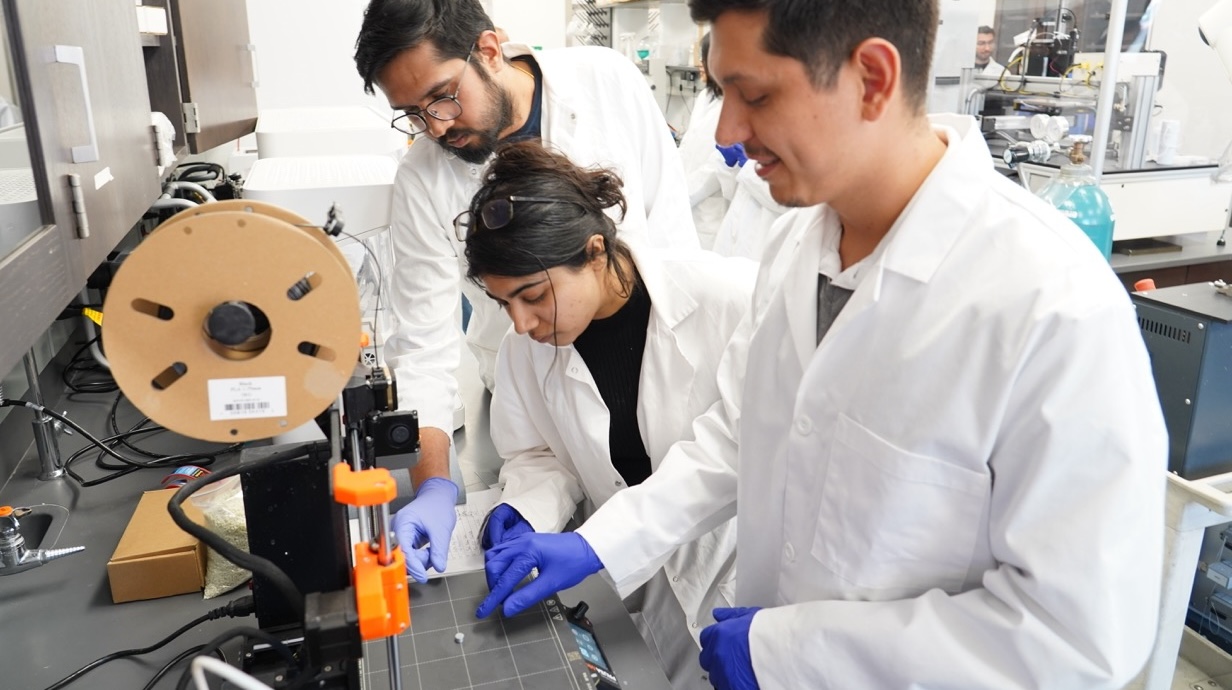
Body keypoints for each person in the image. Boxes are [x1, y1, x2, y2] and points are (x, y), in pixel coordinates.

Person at [476, 1, 1169, 689]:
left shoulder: (1051, 305)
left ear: (871, 77)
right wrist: (597, 544)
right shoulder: (794, 251)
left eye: (755, 95)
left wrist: (795, 652)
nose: (728, 130)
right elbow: (731, 440)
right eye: (722, 94)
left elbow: (1078, 636)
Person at [352, 0, 698, 582]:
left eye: (441, 97)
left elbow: (670, 239)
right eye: (411, 113)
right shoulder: (423, 179)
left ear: (489, 50)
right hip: (535, 393)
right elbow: (426, 350)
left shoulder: (605, 81)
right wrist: (435, 486)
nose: (434, 127)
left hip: (660, 364)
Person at [464, 140, 751, 689]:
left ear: (595, 251)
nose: (521, 323)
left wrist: (597, 543)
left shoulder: (730, 300)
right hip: (637, 588)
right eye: (504, 304)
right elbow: (542, 452)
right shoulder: (526, 345)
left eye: (531, 296)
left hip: (735, 580)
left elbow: (731, 456)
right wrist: (526, 506)